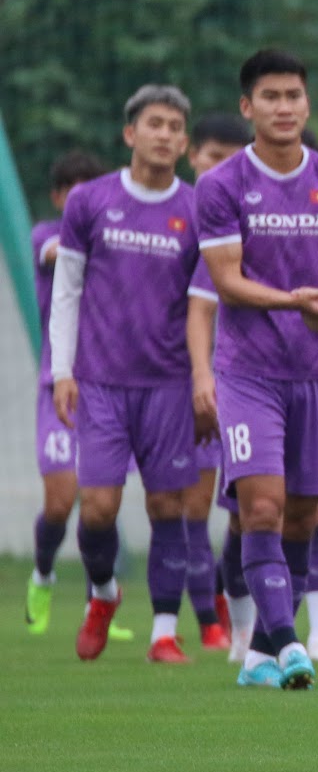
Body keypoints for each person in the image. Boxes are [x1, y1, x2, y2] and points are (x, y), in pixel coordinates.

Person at [196, 49, 318, 691]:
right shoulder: (219, 187)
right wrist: (296, 300)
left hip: (315, 377)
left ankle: (259, 656)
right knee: (263, 510)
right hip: (247, 376)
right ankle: (292, 645)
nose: (283, 107)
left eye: (293, 95)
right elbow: (226, 279)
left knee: (305, 517)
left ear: (307, 103)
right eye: (269, 96)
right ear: (248, 107)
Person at [50, 86, 201, 663]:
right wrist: (62, 370)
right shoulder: (89, 201)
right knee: (97, 510)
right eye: (154, 124)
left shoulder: (194, 210)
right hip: (102, 383)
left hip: (169, 384)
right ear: (130, 134)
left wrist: (202, 379)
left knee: (168, 508)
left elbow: (203, 305)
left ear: (184, 143)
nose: (164, 134)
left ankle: (165, 632)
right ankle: (105, 594)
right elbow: (67, 291)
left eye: (174, 127)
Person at [25, 151, 112, 637]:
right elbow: (60, 254)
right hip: (57, 386)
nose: (81, 200)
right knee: (60, 502)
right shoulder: (46, 236)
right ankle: (42, 574)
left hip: (107, 387)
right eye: (72, 191)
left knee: (104, 498)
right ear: (59, 198)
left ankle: (97, 602)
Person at [180, 114, 253, 653]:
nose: (223, 168)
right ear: (192, 156)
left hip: (242, 380)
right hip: (177, 382)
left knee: (246, 507)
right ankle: (207, 618)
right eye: (214, 157)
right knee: (190, 505)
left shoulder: (243, 218)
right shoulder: (181, 214)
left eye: (234, 157)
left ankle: (229, 608)